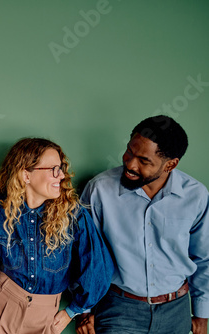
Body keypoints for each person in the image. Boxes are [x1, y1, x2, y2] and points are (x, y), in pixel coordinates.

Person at [0, 138, 113, 334]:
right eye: (53, 169)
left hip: (45, 317)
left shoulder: (74, 215)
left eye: (61, 168)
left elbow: (97, 268)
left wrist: (72, 311)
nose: (61, 175)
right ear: (26, 175)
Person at [77, 115, 209, 334]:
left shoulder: (196, 196)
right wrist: (84, 310)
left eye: (144, 160)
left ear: (171, 164)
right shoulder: (99, 190)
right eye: (129, 151)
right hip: (118, 310)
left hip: (176, 311)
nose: (130, 164)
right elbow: (84, 254)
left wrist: (202, 316)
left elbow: (204, 258)